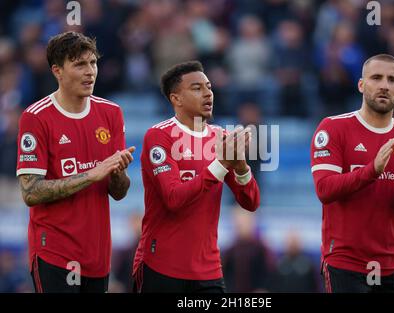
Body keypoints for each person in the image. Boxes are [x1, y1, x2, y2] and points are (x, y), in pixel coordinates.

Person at [16, 31, 135, 293]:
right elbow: (31, 191)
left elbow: (118, 192)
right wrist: (92, 174)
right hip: (55, 251)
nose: (90, 71)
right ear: (57, 71)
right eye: (79, 64)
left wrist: (118, 173)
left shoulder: (111, 113)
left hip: (97, 253)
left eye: (93, 63)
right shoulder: (36, 117)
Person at [132, 61, 260, 293]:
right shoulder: (159, 136)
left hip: (208, 270)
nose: (208, 93)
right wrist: (221, 165)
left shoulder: (220, 136)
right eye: (197, 88)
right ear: (176, 99)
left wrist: (241, 167)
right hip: (162, 266)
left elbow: (251, 202)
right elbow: (173, 199)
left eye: (209, 87)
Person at [310, 54, 394, 293]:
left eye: (392, 80)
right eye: (376, 77)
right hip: (346, 262)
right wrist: (372, 170)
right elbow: (325, 190)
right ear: (361, 85)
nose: (385, 85)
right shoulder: (333, 128)